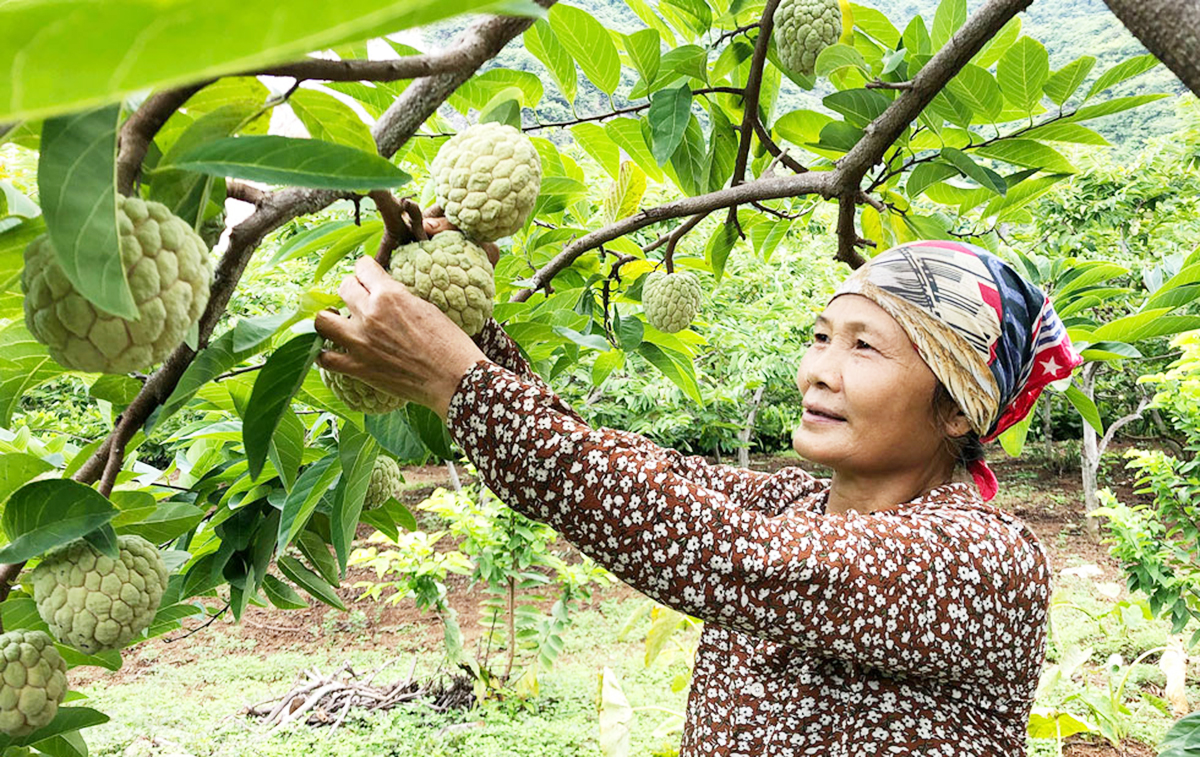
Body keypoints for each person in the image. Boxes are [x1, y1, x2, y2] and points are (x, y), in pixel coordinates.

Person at [314, 238, 1083, 756]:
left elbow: (711, 547)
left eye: (864, 346)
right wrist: (466, 318)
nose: (819, 369)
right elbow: (626, 471)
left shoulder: (981, 557)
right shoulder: (793, 505)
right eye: (821, 336)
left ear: (957, 407)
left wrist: (459, 382)